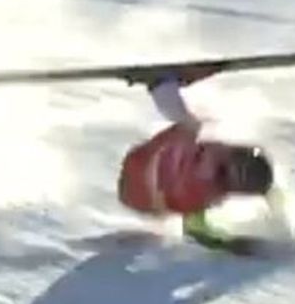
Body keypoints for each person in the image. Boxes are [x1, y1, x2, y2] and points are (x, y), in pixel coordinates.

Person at [117, 77, 278, 249]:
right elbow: (196, 231)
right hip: (136, 196)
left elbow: (196, 230)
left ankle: (161, 87)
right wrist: (232, 245)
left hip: (140, 169)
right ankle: (163, 89)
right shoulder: (207, 196)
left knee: (191, 125)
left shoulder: (207, 184)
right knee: (191, 130)